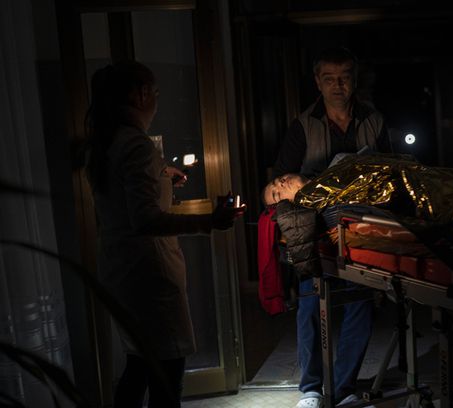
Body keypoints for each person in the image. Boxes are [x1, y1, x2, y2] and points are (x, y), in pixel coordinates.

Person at [84, 60, 245, 408]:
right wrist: (210, 221)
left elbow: (122, 198)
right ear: (142, 94)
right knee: (166, 372)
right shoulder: (136, 145)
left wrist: (162, 177)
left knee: (140, 364)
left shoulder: (107, 141)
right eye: (155, 93)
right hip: (148, 276)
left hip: (120, 269)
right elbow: (145, 220)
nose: (157, 101)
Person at [270, 47, 391, 408]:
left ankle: (344, 387)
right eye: (329, 79)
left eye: (344, 77)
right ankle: (311, 389)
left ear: (354, 79)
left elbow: (390, 170)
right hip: (314, 231)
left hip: (360, 228)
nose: (338, 85)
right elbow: (283, 178)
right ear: (317, 83)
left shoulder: (374, 120)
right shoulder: (303, 125)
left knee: (361, 304)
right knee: (310, 304)